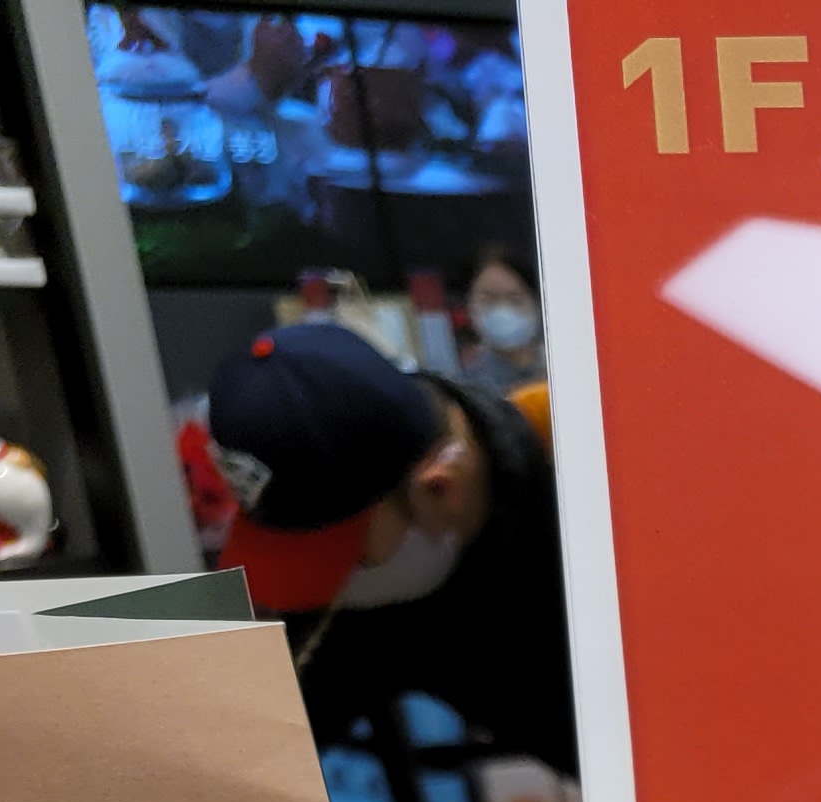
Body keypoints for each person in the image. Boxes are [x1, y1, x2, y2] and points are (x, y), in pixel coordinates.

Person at [201, 318, 576, 773]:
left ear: (441, 488)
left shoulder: (592, 473)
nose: (330, 592)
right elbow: (235, 759)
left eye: (351, 559)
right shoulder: (368, 593)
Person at [459, 248, 546, 398]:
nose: (502, 310)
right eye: (489, 299)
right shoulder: (468, 388)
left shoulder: (559, 370)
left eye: (514, 299)